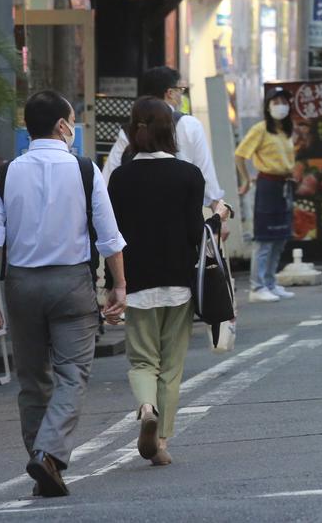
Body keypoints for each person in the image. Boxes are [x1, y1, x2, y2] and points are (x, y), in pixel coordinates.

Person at [0, 91, 128, 497]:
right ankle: (49, 455)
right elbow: (108, 236)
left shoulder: (3, 174)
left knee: (33, 379)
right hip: (72, 284)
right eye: (72, 119)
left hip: (20, 285)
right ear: (61, 126)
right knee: (72, 374)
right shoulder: (85, 170)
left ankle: (43, 458)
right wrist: (118, 285)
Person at [108, 97, 205, 467]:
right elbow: (197, 234)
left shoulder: (120, 177)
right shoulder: (188, 175)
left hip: (135, 282)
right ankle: (161, 438)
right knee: (172, 365)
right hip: (178, 282)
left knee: (142, 361)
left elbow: (111, 236)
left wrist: (109, 283)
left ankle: (145, 407)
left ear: (134, 131)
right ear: (171, 132)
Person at [102, 67, 226, 220]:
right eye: (180, 89)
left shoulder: (132, 128)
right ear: (170, 93)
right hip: (178, 215)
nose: (181, 95)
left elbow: (107, 179)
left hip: (137, 218)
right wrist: (217, 211)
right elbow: (205, 172)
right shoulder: (189, 125)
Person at [235, 87, 298, 303]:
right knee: (264, 238)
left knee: (280, 237)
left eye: (284, 101)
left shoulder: (285, 130)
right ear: (268, 106)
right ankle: (257, 286)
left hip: (285, 186)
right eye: (276, 101)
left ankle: (271, 282)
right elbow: (240, 155)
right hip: (267, 185)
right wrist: (246, 180)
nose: (281, 105)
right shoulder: (260, 129)